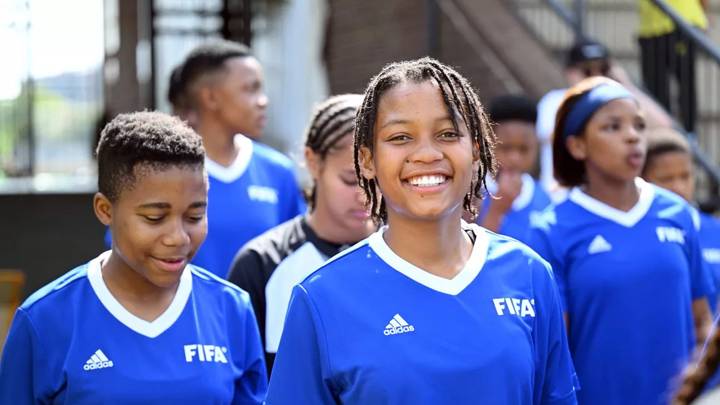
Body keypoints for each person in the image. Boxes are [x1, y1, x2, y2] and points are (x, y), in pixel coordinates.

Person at [266, 58, 579, 404]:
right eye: (401, 137)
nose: (427, 154)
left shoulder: (530, 274)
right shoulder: (320, 298)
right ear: (367, 161)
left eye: (447, 134)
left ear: (476, 149)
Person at [0, 112, 267, 403]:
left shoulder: (231, 309)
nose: (178, 236)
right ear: (105, 210)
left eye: (195, 215)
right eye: (154, 217)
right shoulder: (45, 319)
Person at [529, 77, 714, 405]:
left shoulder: (677, 213)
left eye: (639, 125)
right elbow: (554, 353)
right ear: (577, 146)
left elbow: (701, 321)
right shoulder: (552, 230)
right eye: (613, 127)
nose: (632, 136)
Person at [228, 94, 376, 374]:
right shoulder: (261, 263)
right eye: (349, 179)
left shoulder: (406, 256)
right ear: (313, 161)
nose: (364, 195)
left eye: (376, 180)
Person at [175, 39, 306, 277]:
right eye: (250, 89)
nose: (263, 101)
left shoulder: (278, 171)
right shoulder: (165, 172)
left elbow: (300, 256)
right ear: (211, 98)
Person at [536, 39, 672, 193]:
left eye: (603, 69)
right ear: (570, 73)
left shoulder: (621, 102)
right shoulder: (554, 101)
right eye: (587, 71)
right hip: (561, 197)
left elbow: (663, 125)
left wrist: (626, 84)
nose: (596, 75)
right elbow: (556, 136)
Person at [642, 127, 720, 312]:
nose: (678, 187)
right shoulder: (639, 234)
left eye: (685, 176)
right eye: (666, 179)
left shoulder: (715, 229)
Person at [475, 94, 551, 244]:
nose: (515, 158)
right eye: (506, 147)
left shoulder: (545, 199)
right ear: (487, 143)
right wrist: (497, 211)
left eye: (524, 149)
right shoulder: (472, 193)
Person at [638, 0, 708, 132]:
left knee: (685, 85)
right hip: (650, 28)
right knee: (655, 90)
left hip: (682, 23)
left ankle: (689, 134)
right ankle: (662, 133)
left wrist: (701, 16)